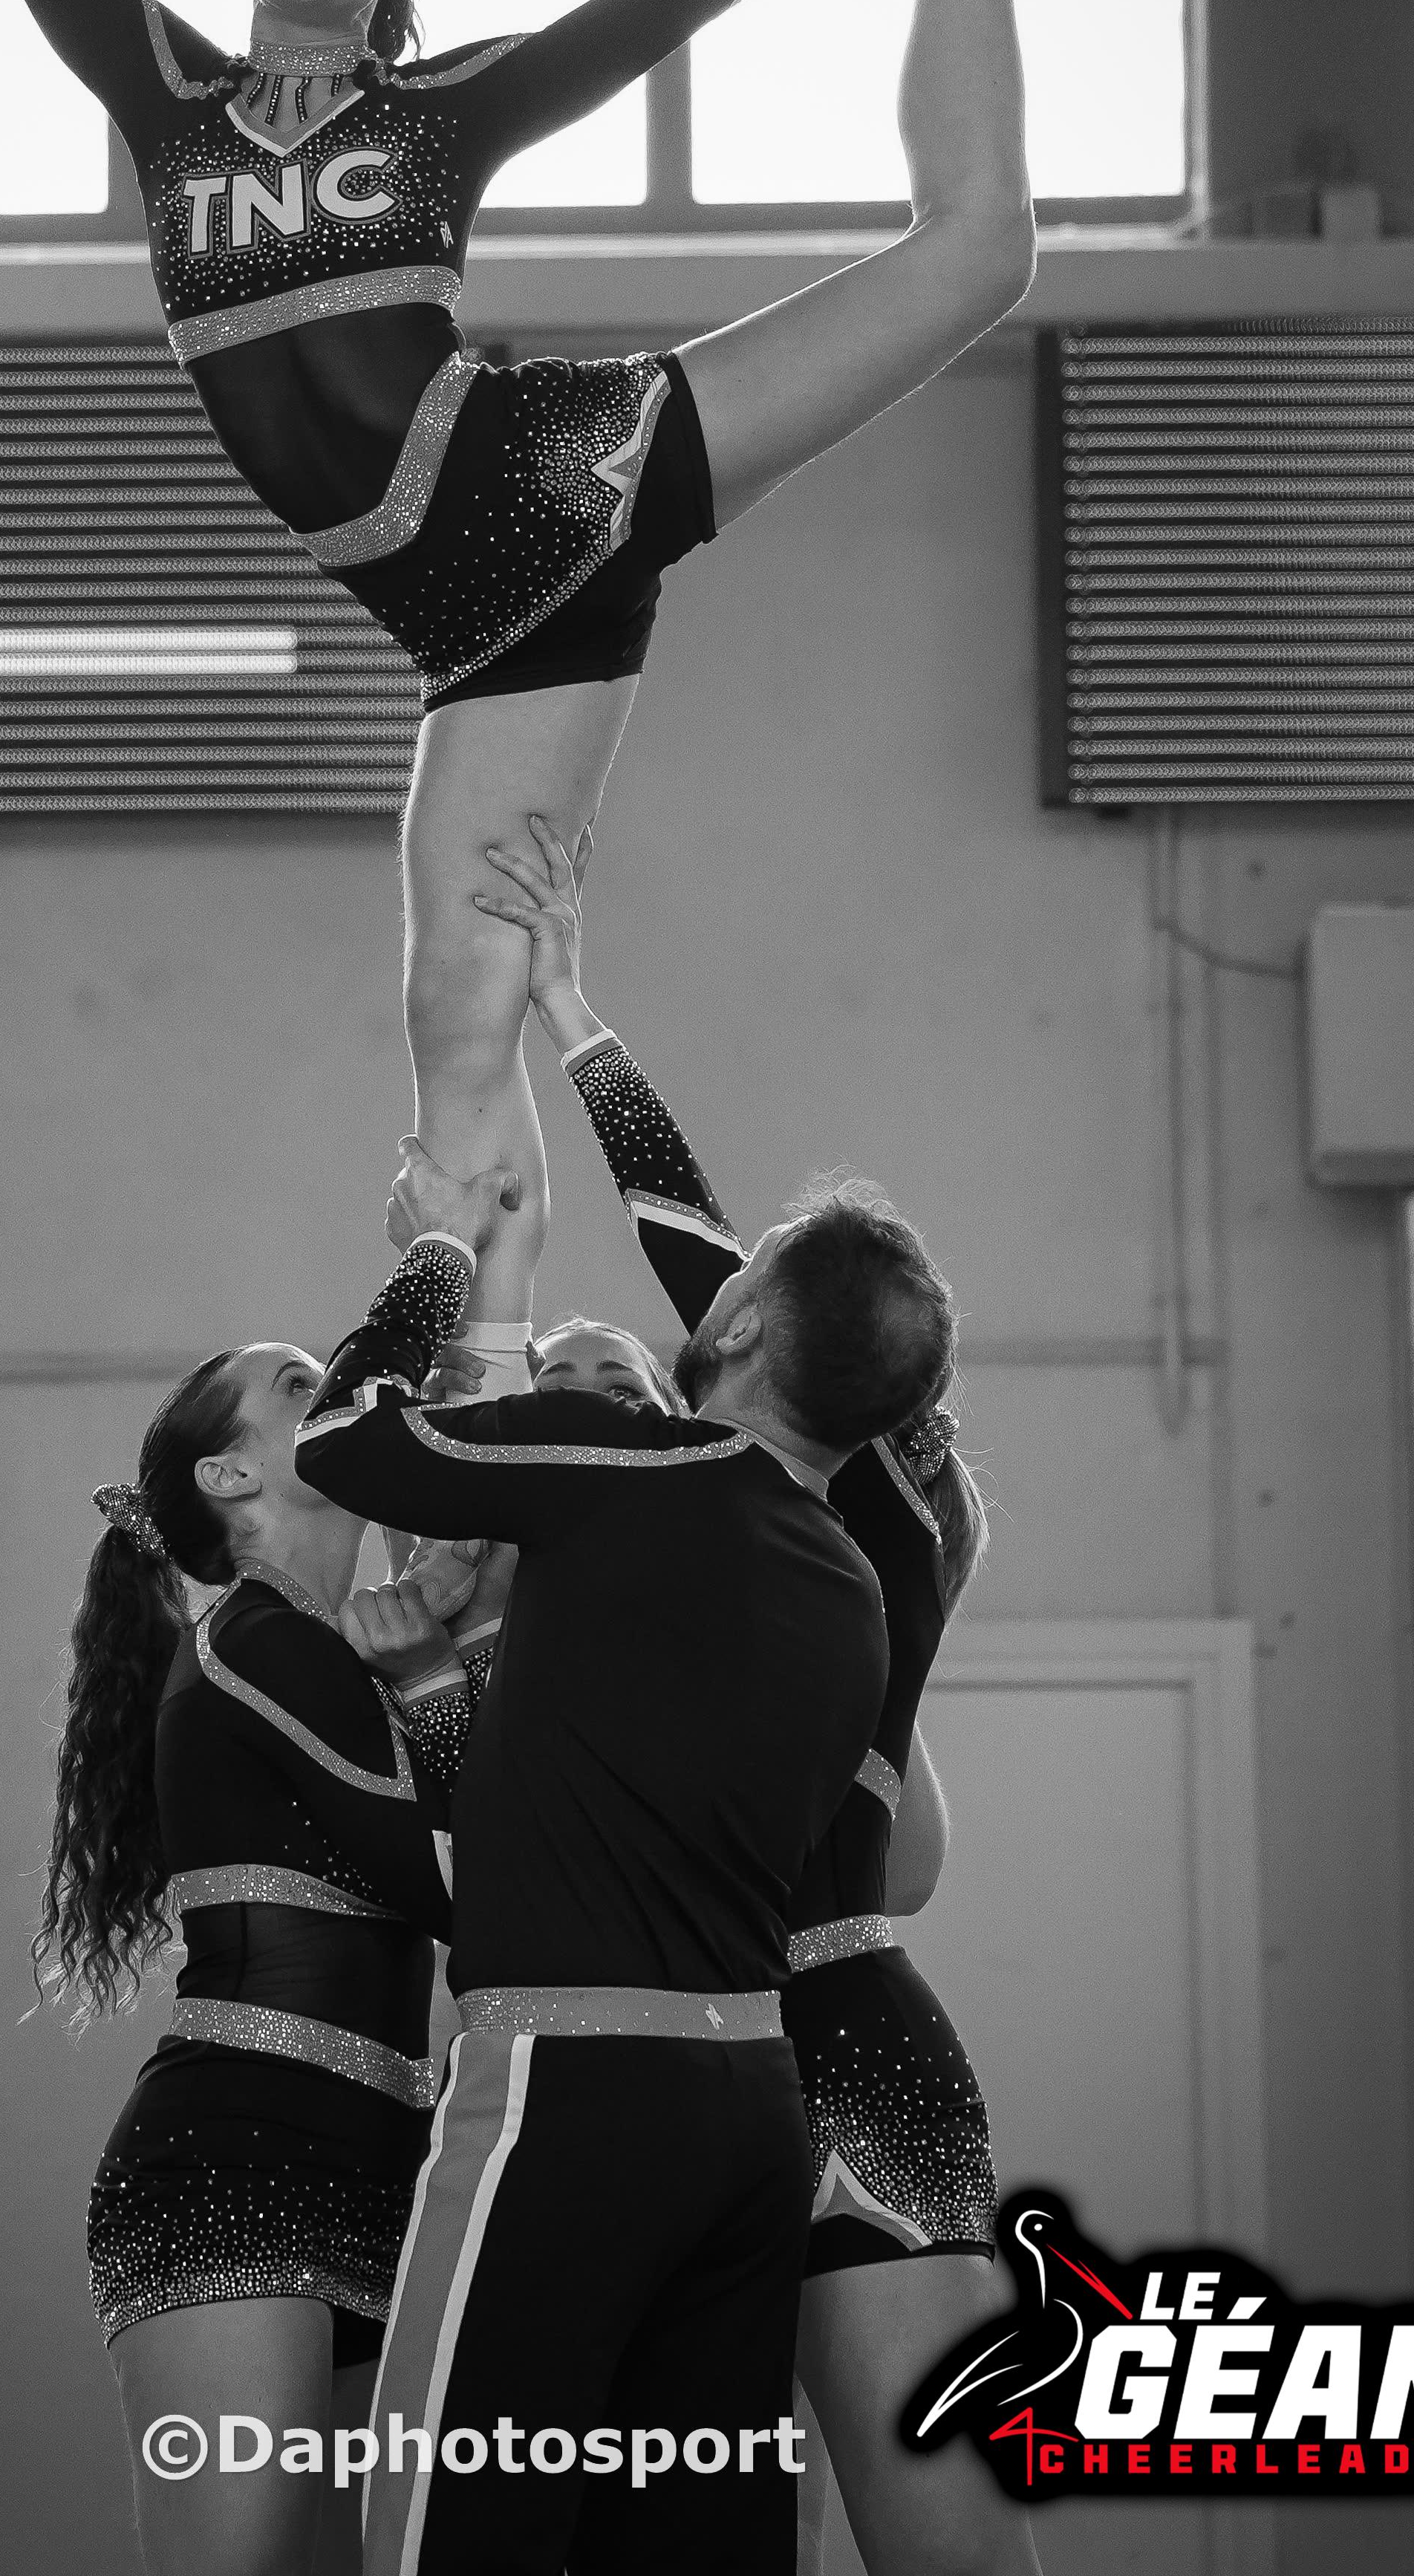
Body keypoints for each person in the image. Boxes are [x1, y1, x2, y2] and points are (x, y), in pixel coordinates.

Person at [0, 0, 1051, 1334]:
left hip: (571, 472)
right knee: (460, 1042)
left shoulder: (441, 114)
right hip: (480, 641)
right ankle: (494, 1395)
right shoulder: (160, 99)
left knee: (979, 255)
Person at [281, 1072, 954, 2569]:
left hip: (568, 2092)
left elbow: (341, 1441)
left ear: (743, 1327)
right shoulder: (852, 1589)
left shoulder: (630, 1473)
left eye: (747, 1271)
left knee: (446, 2534)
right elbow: (600, 1784)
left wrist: (439, 1255)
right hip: (751, 2110)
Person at [476, 816, 1040, 2575]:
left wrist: (574, 1012)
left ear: (767, 1342)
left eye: (748, 1286)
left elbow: (680, 1228)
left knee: (927, 2538)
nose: (713, 1299)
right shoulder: (801, 1503)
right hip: (728, 2050)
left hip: (821, 2041)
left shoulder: (829, 1483)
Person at [42, 1344, 495, 2576]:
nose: (331, 1393)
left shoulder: (329, 1652)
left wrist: (447, 1612)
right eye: (299, 1385)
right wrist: (437, 1669)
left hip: (383, 2170)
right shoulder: (256, 1640)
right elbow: (470, 1885)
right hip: (235, 2166)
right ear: (231, 1473)